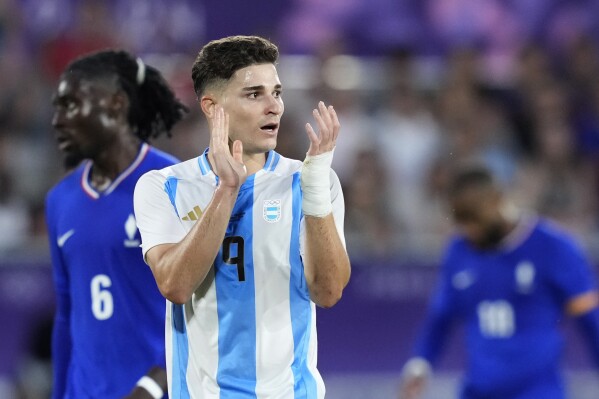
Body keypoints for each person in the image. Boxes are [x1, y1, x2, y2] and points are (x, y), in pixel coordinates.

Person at [133, 35, 351, 398]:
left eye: (277, 92)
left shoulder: (311, 181)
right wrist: (226, 190)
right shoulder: (164, 186)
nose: (274, 107)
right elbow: (175, 285)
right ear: (211, 106)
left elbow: (328, 292)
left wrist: (313, 192)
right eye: (255, 94)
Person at [45, 49, 188, 399]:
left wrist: (154, 385)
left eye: (70, 105)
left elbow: (208, 306)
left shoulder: (174, 183)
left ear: (115, 104)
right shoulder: (59, 200)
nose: (57, 120)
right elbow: (67, 315)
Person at [398, 164, 599, 399]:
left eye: (474, 219)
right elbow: (440, 318)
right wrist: (420, 365)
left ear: (498, 201)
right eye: (463, 222)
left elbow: (590, 320)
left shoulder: (553, 247)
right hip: (478, 390)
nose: (470, 230)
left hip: (538, 391)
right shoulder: (459, 251)